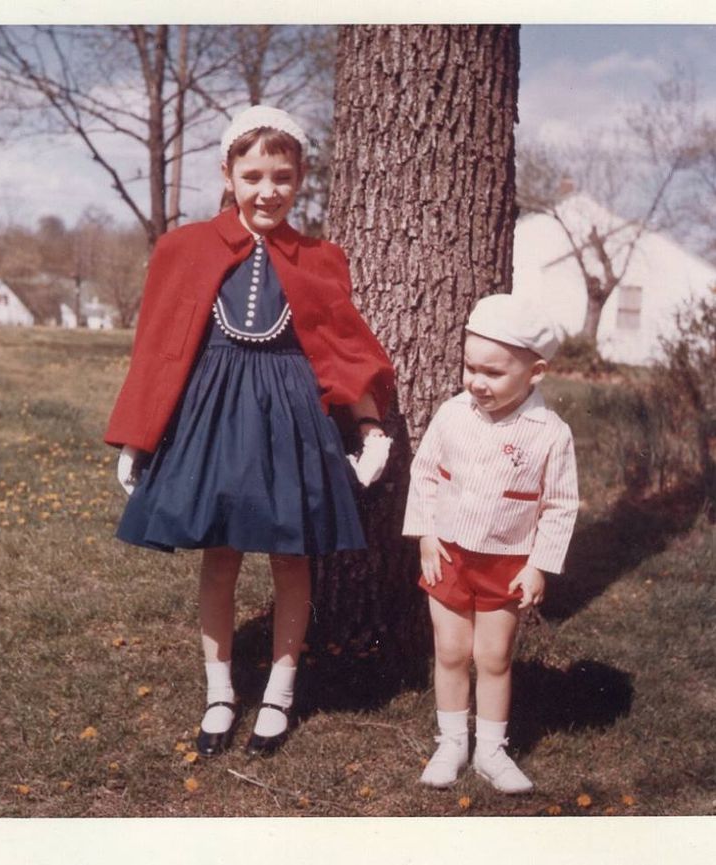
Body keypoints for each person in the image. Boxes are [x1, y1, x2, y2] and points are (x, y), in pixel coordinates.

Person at [105, 105, 395, 758]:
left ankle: (280, 692)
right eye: (254, 173)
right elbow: (157, 348)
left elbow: (343, 349)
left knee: (293, 556)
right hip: (213, 413)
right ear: (228, 173)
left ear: (300, 180)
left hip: (292, 417)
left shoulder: (321, 257)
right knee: (220, 555)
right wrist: (137, 437)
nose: (268, 190)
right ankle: (220, 691)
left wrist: (369, 427)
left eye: (283, 176)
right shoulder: (183, 248)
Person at [403, 294, 578, 793]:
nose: (477, 382)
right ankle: (452, 741)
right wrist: (426, 536)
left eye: (494, 373)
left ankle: (492, 750)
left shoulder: (550, 433)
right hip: (450, 556)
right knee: (452, 651)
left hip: (507, 562)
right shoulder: (453, 415)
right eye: (470, 368)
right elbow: (426, 476)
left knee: (495, 656)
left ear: (535, 372)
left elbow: (560, 504)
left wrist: (539, 565)